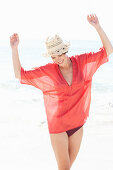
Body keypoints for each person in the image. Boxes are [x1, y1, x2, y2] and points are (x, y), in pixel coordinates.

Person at [10, 14, 113, 170]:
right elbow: (20, 75)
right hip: (58, 125)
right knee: (64, 168)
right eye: (53, 56)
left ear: (65, 50)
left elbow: (108, 50)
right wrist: (14, 48)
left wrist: (97, 27)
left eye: (59, 54)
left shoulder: (82, 62)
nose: (57, 59)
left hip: (77, 124)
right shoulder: (49, 71)